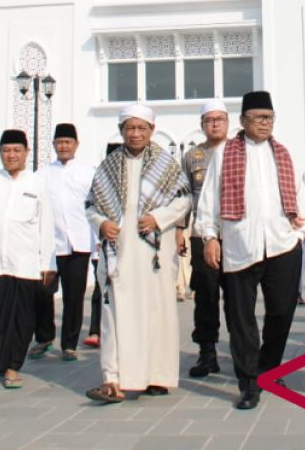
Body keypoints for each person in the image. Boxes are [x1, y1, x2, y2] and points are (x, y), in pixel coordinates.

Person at [195, 90, 305, 411]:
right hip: (239, 245)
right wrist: (209, 236)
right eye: (259, 118)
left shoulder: (284, 154)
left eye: (269, 118)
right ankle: (248, 383)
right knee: (240, 318)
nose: (265, 124)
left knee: (281, 311)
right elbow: (209, 200)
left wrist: (300, 233)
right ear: (244, 121)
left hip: (282, 244)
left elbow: (301, 196)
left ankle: (269, 368)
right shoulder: (224, 154)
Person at [86, 105, 191, 404]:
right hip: (119, 253)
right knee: (116, 313)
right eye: (130, 128)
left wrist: (158, 217)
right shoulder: (108, 167)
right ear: (121, 131)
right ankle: (114, 377)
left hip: (152, 254)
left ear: (151, 130)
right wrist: (102, 223)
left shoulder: (166, 165)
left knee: (157, 312)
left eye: (141, 128)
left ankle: (157, 376)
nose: (135, 133)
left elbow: (184, 201)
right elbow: (91, 206)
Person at [0, 129, 56, 389]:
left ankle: (12, 366)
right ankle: (3, 362)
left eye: (17, 150)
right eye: (7, 150)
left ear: (26, 153)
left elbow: (46, 226)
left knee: (23, 320)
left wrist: (46, 265)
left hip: (26, 264)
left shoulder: (37, 184)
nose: (11, 155)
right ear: (0, 153)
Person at [32, 123, 97, 362]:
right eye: (60, 142)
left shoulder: (88, 172)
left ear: (76, 145)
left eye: (68, 142)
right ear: (54, 145)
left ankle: (69, 343)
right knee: (42, 292)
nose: (64, 146)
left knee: (74, 295)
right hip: (49, 243)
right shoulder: (42, 174)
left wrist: (98, 240)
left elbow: (96, 206)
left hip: (78, 242)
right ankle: (44, 337)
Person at [181, 100, 229, 378]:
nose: (215, 124)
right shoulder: (192, 156)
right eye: (209, 120)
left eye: (219, 119)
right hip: (202, 234)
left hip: (234, 234)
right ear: (202, 125)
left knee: (237, 298)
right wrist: (180, 230)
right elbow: (184, 196)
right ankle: (207, 353)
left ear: (228, 122)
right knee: (206, 297)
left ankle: (243, 353)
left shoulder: (240, 152)